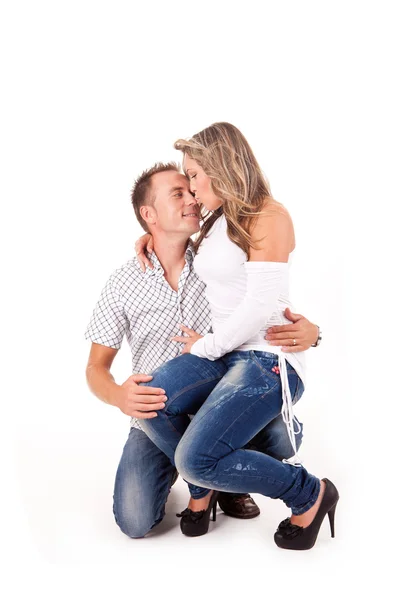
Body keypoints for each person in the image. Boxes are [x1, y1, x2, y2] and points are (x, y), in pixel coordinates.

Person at [85, 162, 320, 539]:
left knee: (280, 437)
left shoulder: (216, 260)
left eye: (191, 190)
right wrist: (118, 396)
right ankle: (209, 477)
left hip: (221, 395)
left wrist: (312, 331)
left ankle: (209, 475)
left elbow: (266, 299)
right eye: (177, 194)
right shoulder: (123, 283)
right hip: (154, 414)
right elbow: (95, 367)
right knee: (134, 521)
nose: (192, 198)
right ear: (149, 215)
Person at [135, 122, 338, 550]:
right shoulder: (216, 219)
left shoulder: (269, 214)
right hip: (222, 356)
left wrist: (206, 346)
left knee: (194, 458)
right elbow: (193, 249)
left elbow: (260, 307)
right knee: (148, 402)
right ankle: (206, 485)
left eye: (193, 175)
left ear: (220, 166)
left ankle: (308, 493)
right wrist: (149, 237)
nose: (190, 190)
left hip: (264, 359)